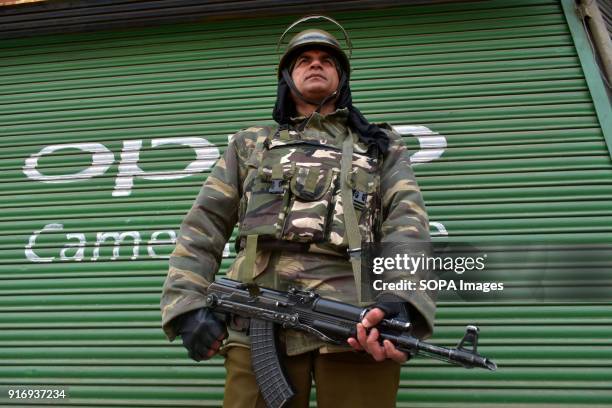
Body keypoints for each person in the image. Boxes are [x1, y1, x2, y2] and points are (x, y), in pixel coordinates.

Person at [160, 16, 435, 408]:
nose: (316, 63)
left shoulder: (380, 144)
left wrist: (400, 300)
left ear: (342, 77)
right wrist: (186, 305)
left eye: (327, 58)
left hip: (355, 320)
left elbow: (407, 223)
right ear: (287, 77)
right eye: (304, 59)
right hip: (257, 316)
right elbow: (204, 225)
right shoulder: (250, 143)